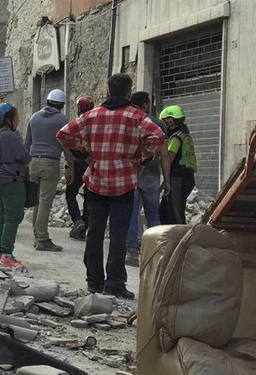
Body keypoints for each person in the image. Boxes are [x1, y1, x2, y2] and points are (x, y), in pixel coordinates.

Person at [56, 73, 164, 299]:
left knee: (94, 233)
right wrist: (141, 158)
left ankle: (94, 282)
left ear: (107, 91)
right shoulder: (136, 116)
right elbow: (157, 137)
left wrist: (83, 154)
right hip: (124, 183)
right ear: (128, 92)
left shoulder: (92, 115)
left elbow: (64, 134)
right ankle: (115, 283)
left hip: (95, 182)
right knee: (118, 234)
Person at [24, 89, 73, 252]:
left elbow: (27, 143)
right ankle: (43, 239)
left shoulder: (34, 117)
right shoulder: (62, 119)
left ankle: (37, 236)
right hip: (50, 162)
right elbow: (66, 146)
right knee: (45, 202)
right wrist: (70, 166)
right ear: (61, 104)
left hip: (33, 162)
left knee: (37, 201)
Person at [125, 91, 168, 266]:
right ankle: (155, 253)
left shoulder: (128, 121)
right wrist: (167, 179)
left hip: (133, 173)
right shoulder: (157, 124)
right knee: (153, 214)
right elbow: (164, 155)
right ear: (145, 105)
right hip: (152, 175)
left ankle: (132, 252)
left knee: (132, 214)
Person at [0, 103, 31, 268]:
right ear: (7, 119)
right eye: (16, 117)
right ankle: (7, 255)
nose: (19, 120)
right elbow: (26, 156)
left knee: (3, 216)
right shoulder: (10, 136)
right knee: (13, 217)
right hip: (11, 180)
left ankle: (2, 252)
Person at [159, 105, 196, 225]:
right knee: (164, 210)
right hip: (186, 177)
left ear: (170, 121)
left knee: (174, 214)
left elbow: (168, 160)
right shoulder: (185, 135)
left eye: (164, 122)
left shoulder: (175, 138)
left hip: (178, 178)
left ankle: (178, 240)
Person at [65, 96, 94, 240]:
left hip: (77, 163)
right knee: (89, 196)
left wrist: (67, 166)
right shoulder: (96, 125)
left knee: (70, 193)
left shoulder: (76, 124)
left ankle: (77, 220)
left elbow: (67, 144)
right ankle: (84, 226)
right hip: (91, 164)